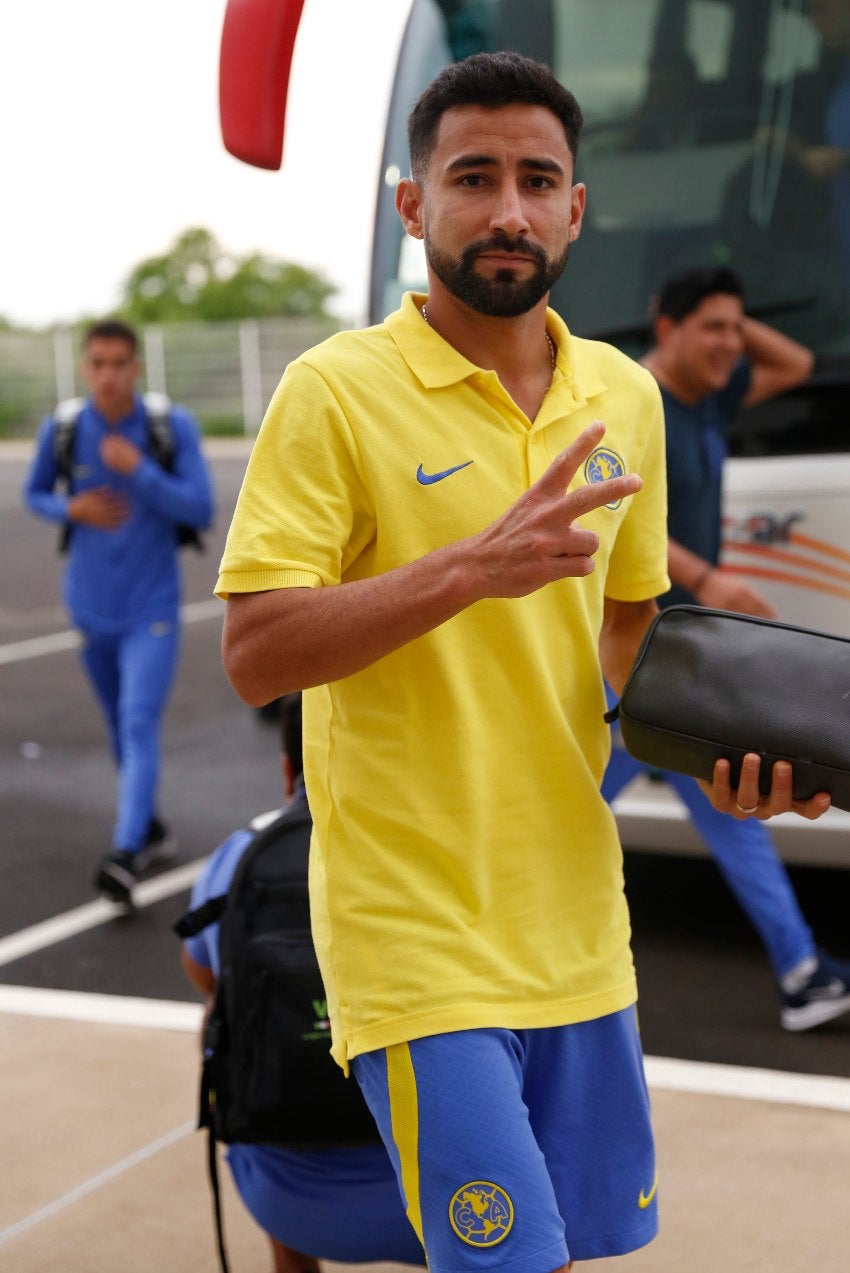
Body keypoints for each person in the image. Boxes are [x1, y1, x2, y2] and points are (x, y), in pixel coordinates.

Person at [215, 53, 830, 1271]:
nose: (507, 208)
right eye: (473, 176)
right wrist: (462, 569)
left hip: (577, 923)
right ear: (413, 203)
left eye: (536, 179)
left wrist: (750, 751)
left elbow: (631, 631)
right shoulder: (334, 391)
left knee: (582, 1250)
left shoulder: (624, 396)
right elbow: (254, 650)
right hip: (414, 933)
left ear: (575, 208)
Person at [602, 264, 850, 1033]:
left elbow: (797, 366)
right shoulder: (629, 403)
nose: (731, 345)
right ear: (665, 328)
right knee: (562, 803)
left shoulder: (710, 394)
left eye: (736, 330)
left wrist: (729, 325)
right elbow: (614, 507)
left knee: (730, 810)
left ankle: (802, 969)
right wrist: (707, 575)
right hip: (628, 654)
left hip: (680, 661)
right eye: (710, 327)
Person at [180, 693, 425, 1273]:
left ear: (289, 771)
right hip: (433, 1201)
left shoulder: (237, 856)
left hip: (288, 1199)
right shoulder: (428, 846)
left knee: (223, 1010)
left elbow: (203, 974)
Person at [23, 318, 214, 905]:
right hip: (89, 609)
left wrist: (139, 470)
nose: (108, 375)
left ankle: (125, 850)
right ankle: (151, 827)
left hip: (150, 610)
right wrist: (69, 509)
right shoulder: (63, 428)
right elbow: (35, 493)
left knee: (136, 722)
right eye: (97, 364)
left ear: (136, 369)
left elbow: (200, 507)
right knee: (116, 726)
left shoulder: (167, 427)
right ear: (85, 367)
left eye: (119, 364)